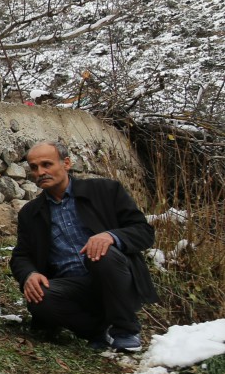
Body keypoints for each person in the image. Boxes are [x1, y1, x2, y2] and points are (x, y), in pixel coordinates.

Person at [10, 141, 156, 352]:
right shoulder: (30, 213)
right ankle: (97, 331)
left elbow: (144, 232)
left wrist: (111, 236)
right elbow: (21, 255)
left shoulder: (105, 190)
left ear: (66, 163)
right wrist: (29, 274)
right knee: (39, 297)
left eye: (46, 164)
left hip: (115, 277)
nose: (40, 172)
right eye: (34, 167)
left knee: (99, 255)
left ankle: (125, 329)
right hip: (73, 286)